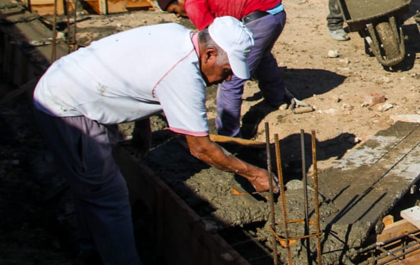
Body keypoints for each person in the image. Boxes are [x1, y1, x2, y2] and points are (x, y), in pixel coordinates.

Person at [33, 17, 275, 265]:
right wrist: (254, 174)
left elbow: (140, 78)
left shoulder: (177, 34)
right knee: (108, 197)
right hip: (68, 106)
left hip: (77, 86)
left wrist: (143, 128)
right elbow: (201, 148)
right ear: (210, 54)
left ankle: (91, 246)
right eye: (226, 71)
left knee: (93, 187)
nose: (226, 79)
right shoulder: (183, 75)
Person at [151, 0, 309, 138]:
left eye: (174, 10)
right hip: (275, 14)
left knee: (230, 78)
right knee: (261, 57)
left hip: (259, 20)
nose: (177, 15)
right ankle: (277, 97)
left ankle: (228, 134)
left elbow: (213, 44)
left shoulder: (192, 3)